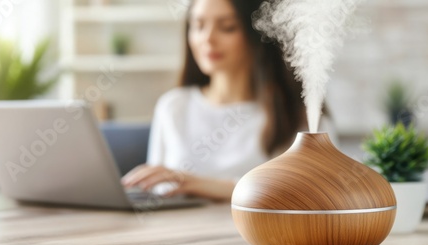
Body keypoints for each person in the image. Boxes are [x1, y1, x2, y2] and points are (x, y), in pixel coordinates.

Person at [121, 0, 333, 201]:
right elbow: (156, 190)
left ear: (258, 34)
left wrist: (198, 184)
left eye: (227, 27)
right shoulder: (173, 106)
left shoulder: (296, 116)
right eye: (198, 26)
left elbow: (315, 194)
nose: (208, 39)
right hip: (178, 234)